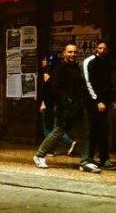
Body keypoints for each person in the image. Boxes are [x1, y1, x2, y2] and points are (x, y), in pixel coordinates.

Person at [34, 43, 101, 173]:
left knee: (84, 133)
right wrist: (58, 103)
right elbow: (52, 89)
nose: (72, 55)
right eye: (70, 52)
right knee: (57, 132)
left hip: (78, 107)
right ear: (64, 53)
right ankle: (39, 155)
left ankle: (85, 161)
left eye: (75, 52)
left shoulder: (78, 68)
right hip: (64, 109)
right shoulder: (58, 69)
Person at [84, 41, 116, 170]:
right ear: (96, 48)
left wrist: (112, 99)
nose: (102, 50)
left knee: (103, 130)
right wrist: (97, 101)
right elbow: (88, 82)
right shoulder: (90, 61)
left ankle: (103, 159)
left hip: (104, 102)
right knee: (94, 130)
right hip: (93, 102)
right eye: (100, 48)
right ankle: (89, 158)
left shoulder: (107, 62)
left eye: (105, 48)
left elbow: (108, 83)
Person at [39, 54, 75, 156]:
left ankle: (50, 148)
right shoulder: (59, 70)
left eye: (44, 60)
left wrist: (43, 103)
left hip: (50, 103)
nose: (42, 62)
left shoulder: (48, 72)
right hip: (59, 102)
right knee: (56, 126)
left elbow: (47, 90)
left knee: (48, 126)